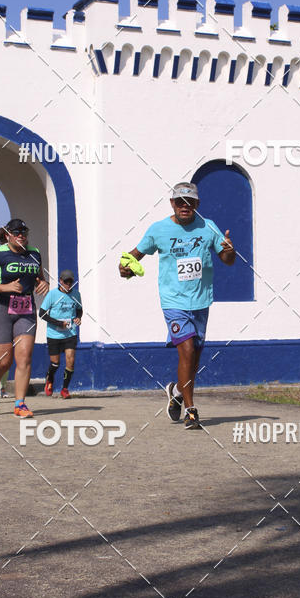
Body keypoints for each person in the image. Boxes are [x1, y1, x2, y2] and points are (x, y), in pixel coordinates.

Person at [119, 182, 235, 430]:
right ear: (172, 203)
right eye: (180, 201)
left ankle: (177, 393)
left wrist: (229, 250)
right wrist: (125, 267)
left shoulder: (208, 227)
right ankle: (191, 411)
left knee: (194, 360)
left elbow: (227, 260)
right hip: (173, 301)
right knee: (187, 351)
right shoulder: (158, 230)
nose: (185, 206)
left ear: (197, 204)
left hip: (201, 301)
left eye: (190, 201)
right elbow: (134, 255)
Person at [0, 218, 49, 418]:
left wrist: (42, 284)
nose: (21, 236)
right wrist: (6, 287)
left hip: (26, 309)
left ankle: (20, 404)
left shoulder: (34, 253)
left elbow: (39, 278)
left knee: (25, 356)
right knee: (3, 360)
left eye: (24, 233)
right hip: (0, 308)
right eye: (17, 233)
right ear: (8, 235)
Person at [39, 269, 83, 398]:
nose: (68, 284)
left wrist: (78, 318)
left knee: (71, 360)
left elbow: (79, 310)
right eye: (66, 281)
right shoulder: (52, 295)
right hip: (54, 335)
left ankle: (64, 389)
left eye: (70, 282)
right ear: (60, 281)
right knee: (55, 363)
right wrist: (58, 323)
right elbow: (41, 314)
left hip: (70, 333)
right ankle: (50, 378)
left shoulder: (76, 294)